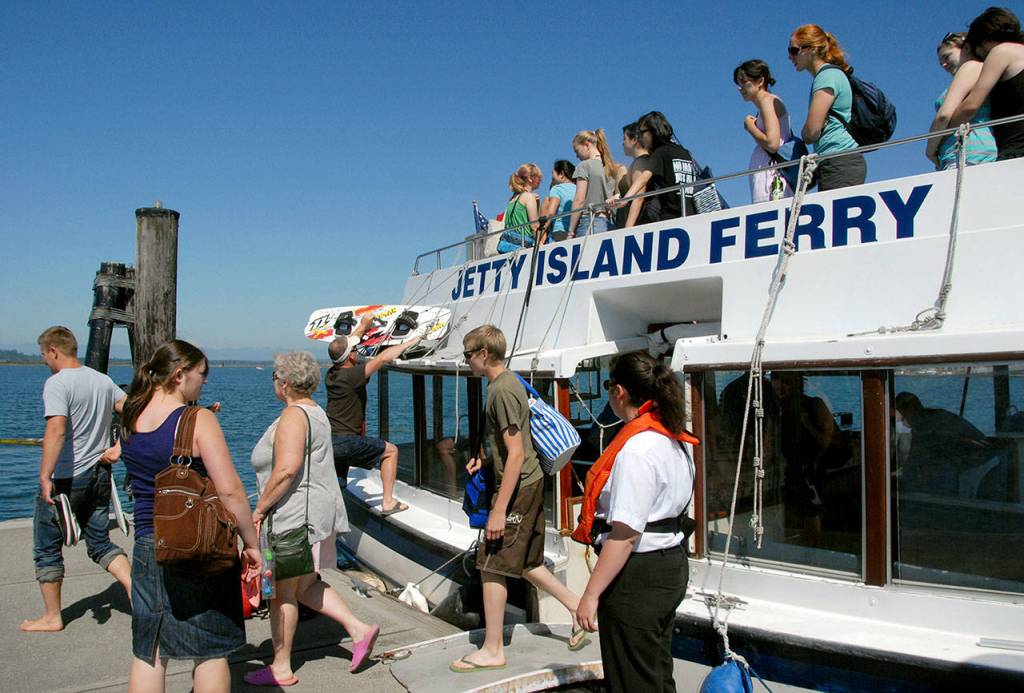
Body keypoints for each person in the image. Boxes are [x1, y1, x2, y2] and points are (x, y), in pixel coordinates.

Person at [119, 339, 260, 692]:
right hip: (195, 545)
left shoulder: (132, 414)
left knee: (150, 649)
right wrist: (251, 543)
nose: (205, 382)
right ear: (180, 375)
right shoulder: (198, 420)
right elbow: (230, 491)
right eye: (202, 374)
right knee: (209, 650)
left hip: (148, 542)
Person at [450, 325, 585, 673]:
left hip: (518, 486)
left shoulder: (503, 391)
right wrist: (484, 459)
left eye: (468, 355)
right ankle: (578, 608)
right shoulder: (504, 385)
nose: (466, 362)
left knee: (490, 563)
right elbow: (511, 444)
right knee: (526, 562)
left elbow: (514, 454)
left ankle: (493, 649)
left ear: (483, 354)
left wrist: (497, 510)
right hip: (529, 482)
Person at [246, 351, 380, 686]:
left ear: (285, 383)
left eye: (275, 377)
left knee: (282, 593)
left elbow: (287, 469)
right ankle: (359, 629)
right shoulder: (316, 412)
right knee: (305, 585)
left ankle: (281, 667)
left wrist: (259, 509)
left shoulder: (293, 415)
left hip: (292, 517)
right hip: (313, 514)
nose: (274, 382)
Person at [574, 352, 699, 693]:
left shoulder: (637, 450)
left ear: (619, 392)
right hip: (671, 566)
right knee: (657, 670)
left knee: (631, 679)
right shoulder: (674, 438)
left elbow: (625, 537)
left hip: (637, 576)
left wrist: (590, 595)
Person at [22, 326, 132, 633]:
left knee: (46, 545)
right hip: (100, 475)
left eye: (44, 355)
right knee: (99, 542)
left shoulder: (57, 384)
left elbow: (56, 430)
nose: (45, 361)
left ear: (54, 351)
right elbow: (133, 412)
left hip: (68, 478)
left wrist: (45, 476)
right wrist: (119, 448)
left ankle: (52, 616)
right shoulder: (103, 380)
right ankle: (136, 590)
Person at [327, 313, 422, 514]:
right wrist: (414, 340)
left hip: (330, 441)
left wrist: (364, 325)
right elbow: (383, 358)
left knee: (339, 483)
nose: (357, 351)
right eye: (354, 350)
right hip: (347, 442)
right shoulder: (351, 376)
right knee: (391, 451)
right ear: (351, 356)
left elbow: (349, 345)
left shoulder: (332, 374)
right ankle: (387, 502)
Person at [788, 25, 866, 191]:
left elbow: (811, 132)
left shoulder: (826, 77)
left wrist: (805, 133)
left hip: (838, 161)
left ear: (813, 49)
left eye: (794, 50)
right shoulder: (831, 75)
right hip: (838, 161)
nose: (790, 56)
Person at [950, 7, 1024, 160]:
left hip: (1016, 150)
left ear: (984, 40)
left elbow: (971, 105)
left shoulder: (1002, 52)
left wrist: (942, 136)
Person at [894, 391, 994, 496]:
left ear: (909, 412)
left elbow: (916, 461)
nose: (900, 421)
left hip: (977, 465)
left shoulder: (924, 428)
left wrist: (897, 474)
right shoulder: (934, 415)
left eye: (901, 417)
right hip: (984, 459)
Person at [927, 32, 998, 169]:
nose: (944, 64)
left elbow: (944, 115)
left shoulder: (972, 66)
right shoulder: (983, 72)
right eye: (941, 62)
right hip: (970, 153)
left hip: (968, 154)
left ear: (965, 49)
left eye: (947, 57)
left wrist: (930, 150)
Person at [613, 111, 698, 222]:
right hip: (691, 213)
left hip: (670, 215)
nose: (641, 138)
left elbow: (644, 178)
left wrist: (625, 199)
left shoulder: (660, 152)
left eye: (642, 133)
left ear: (652, 131)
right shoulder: (685, 152)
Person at [735, 59, 795, 202]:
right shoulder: (765, 104)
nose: (740, 88)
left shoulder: (767, 101)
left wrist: (750, 127)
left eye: (745, 82)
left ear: (760, 81)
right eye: (738, 83)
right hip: (767, 173)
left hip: (771, 175)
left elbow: (772, 144)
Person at [567, 129, 622, 237]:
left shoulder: (584, 166)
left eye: (576, 151)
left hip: (590, 222)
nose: (577, 156)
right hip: (610, 224)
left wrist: (571, 231)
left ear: (586, 145)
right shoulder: (612, 168)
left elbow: (579, 200)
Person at [611, 121, 652, 228]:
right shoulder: (638, 163)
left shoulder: (641, 162)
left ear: (634, 140)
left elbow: (639, 197)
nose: (623, 143)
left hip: (634, 226)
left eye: (625, 138)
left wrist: (628, 229)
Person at [497, 163, 542, 253]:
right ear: (530, 178)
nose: (541, 180)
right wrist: (541, 244)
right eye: (539, 177)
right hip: (523, 246)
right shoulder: (528, 197)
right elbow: (534, 225)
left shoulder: (512, 200)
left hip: (508, 245)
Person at [538, 160, 576, 243]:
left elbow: (551, 212)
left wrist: (540, 234)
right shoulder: (578, 189)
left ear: (561, 174)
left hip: (560, 230)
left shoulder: (557, 189)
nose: (552, 177)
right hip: (575, 230)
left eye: (553, 173)